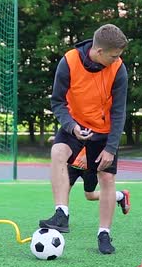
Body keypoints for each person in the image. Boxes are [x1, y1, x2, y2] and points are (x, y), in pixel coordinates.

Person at [39, 24, 129, 254]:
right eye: (114, 55)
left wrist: (111, 147)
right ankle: (62, 214)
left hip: (105, 132)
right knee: (58, 152)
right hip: (75, 126)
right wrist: (71, 126)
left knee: (106, 180)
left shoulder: (118, 69)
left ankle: (104, 234)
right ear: (99, 52)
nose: (118, 59)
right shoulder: (68, 62)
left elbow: (119, 112)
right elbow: (57, 102)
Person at [69, 148, 131, 214]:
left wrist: (86, 154)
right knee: (62, 189)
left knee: (90, 196)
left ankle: (120, 195)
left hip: (88, 163)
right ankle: (62, 217)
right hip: (72, 162)